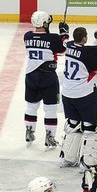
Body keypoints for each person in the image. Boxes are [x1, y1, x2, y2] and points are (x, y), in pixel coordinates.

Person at [59, 26, 97, 169]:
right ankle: (88, 162)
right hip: (85, 95)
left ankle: (68, 157)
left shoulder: (69, 46)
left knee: (73, 124)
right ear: (84, 38)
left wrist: (96, 41)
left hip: (68, 94)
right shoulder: (88, 54)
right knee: (92, 127)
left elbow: (82, 50)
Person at [23, 10, 66, 147]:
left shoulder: (27, 36)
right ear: (44, 23)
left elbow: (44, 40)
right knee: (50, 109)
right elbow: (62, 50)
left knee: (31, 106)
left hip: (30, 76)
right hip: (48, 76)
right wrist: (64, 34)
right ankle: (50, 136)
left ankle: (29, 131)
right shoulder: (53, 38)